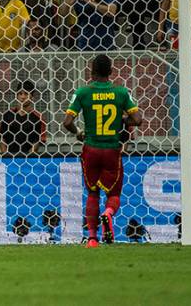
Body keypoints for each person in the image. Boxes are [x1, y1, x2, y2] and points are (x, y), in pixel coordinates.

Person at [63, 54, 143, 248]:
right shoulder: (121, 92)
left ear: (91, 71)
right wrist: (121, 121)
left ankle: (91, 238)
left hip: (91, 148)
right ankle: (107, 213)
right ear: (111, 72)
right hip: (111, 149)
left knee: (92, 193)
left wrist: (79, 133)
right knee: (113, 194)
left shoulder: (82, 92)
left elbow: (67, 123)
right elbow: (138, 120)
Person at [0, 81, 45, 156]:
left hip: (28, 160)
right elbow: (3, 140)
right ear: (16, 96)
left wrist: (27, 159)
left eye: (26, 94)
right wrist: (6, 157)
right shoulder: (8, 115)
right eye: (20, 94)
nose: (22, 97)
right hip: (9, 158)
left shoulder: (37, 118)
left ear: (32, 97)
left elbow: (36, 143)